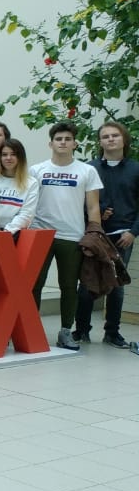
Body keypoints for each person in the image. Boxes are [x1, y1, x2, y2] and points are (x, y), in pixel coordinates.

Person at [30, 123, 103, 349]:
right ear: (50, 143)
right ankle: (30, 330)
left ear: (75, 144)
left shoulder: (87, 171)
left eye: (67, 139)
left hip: (72, 236)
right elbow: (28, 203)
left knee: (69, 286)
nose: (63, 142)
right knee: (34, 284)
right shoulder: (36, 170)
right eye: (59, 139)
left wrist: (94, 236)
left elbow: (93, 207)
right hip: (40, 233)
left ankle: (65, 331)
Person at [75, 121, 139, 347]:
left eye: (115, 135)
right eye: (105, 136)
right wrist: (97, 212)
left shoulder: (136, 169)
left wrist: (133, 232)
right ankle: (81, 330)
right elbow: (78, 202)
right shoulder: (89, 168)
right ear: (100, 142)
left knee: (116, 286)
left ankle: (112, 333)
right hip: (94, 235)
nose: (110, 139)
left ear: (124, 140)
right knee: (87, 283)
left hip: (123, 237)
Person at [0, 138, 39, 235]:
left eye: (13, 154)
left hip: (12, 234)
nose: (8, 158)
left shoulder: (31, 182)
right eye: (4, 154)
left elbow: (26, 214)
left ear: (20, 157)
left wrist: (7, 232)